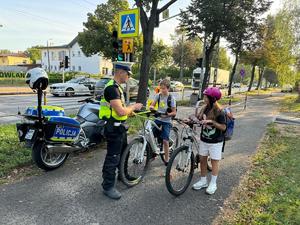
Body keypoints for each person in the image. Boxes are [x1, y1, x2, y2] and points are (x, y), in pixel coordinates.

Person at [99, 62, 143, 200]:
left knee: (124, 152)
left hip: (119, 126)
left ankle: (122, 176)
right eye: (128, 74)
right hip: (113, 128)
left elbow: (120, 111)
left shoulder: (117, 88)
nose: (129, 77)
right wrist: (134, 107)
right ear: (120, 72)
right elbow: (120, 110)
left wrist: (128, 112)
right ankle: (108, 186)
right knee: (113, 157)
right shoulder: (112, 88)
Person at [192, 87, 226, 195]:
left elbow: (223, 127)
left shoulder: (220, 111)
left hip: (216, 141)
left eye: (206, 96)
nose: (204, 98)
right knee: (202, 160)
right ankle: (203, 181)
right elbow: (198, 120)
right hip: (204, 140)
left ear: (212, 98)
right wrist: (190, 120)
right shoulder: (204, 108)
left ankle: (213, 183)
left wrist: (213, 122)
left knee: (214, 162)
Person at [149, 79, 176, 164]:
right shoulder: (158, 95)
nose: (162, 90)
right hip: (158, 119)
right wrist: (152, 108)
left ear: (168, 88)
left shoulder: (171, 98)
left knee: (165, 140)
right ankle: (153, 153)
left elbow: (174, 112)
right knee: (151, 136)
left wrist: (167, 115)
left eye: (164, 88)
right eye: (161, 88)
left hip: (167, 121)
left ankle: (167, 159)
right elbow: (152, 105)